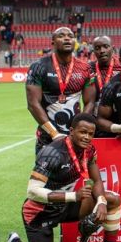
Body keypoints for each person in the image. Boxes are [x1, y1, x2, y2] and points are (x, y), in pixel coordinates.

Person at [0, 114, 121, 242]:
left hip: (66, 206)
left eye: (91, 133)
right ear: (71, 131)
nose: (87, 137)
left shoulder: (89, 150)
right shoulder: (52, 153)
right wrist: (73, 195)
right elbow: (32, 191)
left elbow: (96, 180)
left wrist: (101, 202)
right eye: (83, 132)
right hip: (40, 213)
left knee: (112, 199)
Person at [26, 26, 94, 154]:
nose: (67, 38)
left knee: (78, 173)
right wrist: (54, 133)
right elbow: (32, 104)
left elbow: (90, 102)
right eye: (61, 36)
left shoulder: (85, 68)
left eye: (70, 36)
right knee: (44, 174)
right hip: (48, 137)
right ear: (53, 42)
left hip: (75, 137)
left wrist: (80, 129)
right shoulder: (38, 67)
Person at [87, 36, 121, 117]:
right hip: (95, 118)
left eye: (106, 47)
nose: (102, 51)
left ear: (113, 49)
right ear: (93, 51)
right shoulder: (88, 69)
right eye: (97, 48)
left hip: (120, 118)